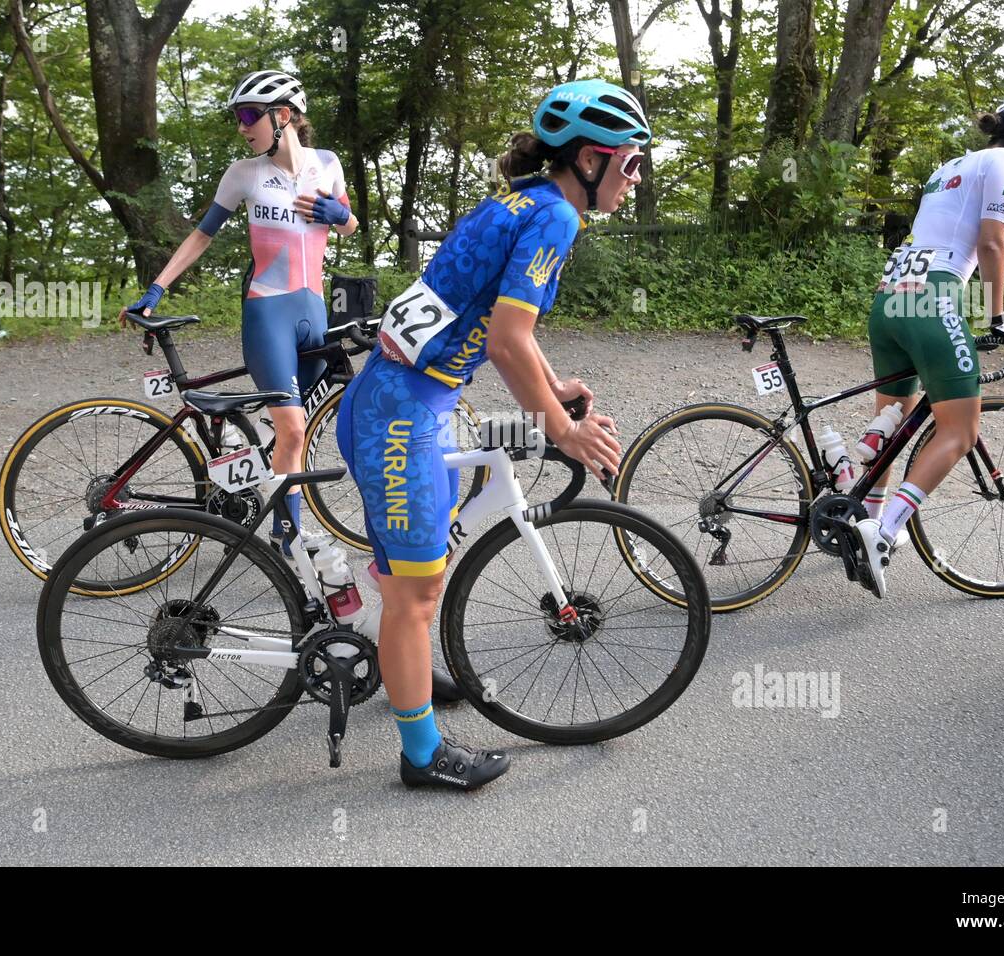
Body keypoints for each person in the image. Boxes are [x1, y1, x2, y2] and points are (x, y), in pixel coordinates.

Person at [336, 79, 650, 790]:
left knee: (412, 582)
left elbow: (511, 329)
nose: (634, 180)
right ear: (592, 161)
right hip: (402, 410)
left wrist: (556, 381)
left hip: (407, 397)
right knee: (415, 595)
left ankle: (402, 664)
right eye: (631, 164)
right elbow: (507, 343)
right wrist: (563, 429)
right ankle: (421, 756)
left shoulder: (525, 200)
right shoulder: (556, 219)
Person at [120, 70, 356, 558]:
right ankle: (285, 540)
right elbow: (201, 234)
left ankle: (251, 485)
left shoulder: (328, 165)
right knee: (293, 428)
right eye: (238, 117)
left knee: (290, 431)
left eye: (249, 115)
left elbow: (351, 225)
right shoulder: (243, 174)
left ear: (283, 116)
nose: (242, 127)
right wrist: (157, 286)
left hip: (313, 311)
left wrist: (339, 216)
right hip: (268, 313)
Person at [855, 99, 1004, 597]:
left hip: (890, 299)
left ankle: (863, 516)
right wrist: (998, 319)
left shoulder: (950, 166)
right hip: (932, 299)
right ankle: (882, 534)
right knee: (960, 431)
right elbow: (992, 243)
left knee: (896, 422)